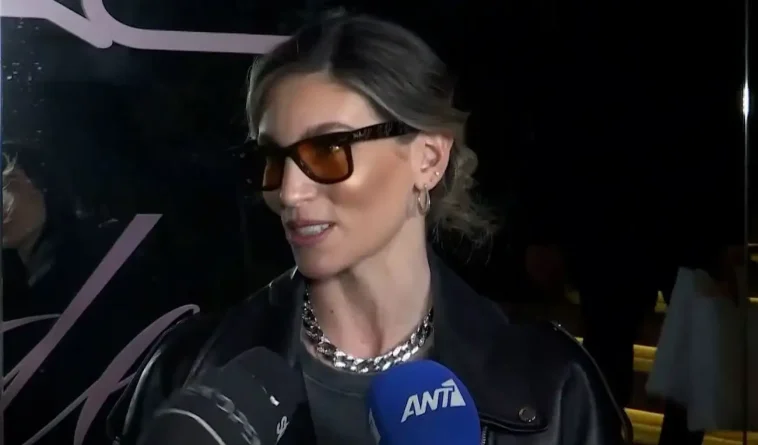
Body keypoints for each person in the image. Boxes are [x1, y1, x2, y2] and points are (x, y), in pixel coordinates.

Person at [108, 12, 630, 445]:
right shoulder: (188, 369)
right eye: (274, 158)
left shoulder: (554, 388)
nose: (289, 192)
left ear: (428, 159)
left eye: (328, 150)